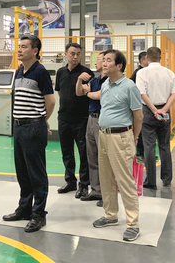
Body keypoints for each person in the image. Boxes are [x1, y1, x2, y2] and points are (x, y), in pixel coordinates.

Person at [2, 35, 56, 232]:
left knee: (36, 172)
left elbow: (51, 101)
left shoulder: (40, 72)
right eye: (19, 46)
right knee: (23, 171)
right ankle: (24, 208)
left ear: (35, 51)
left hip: (33, 127)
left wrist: (41, 119)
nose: (20, 49)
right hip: (19, 127)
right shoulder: (19, 71)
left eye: (24, 47)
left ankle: (38, 214)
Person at [92, 49, 143, 242]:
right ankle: (110, 214)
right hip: (103, 135)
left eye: (108, 60)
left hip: (120, 137)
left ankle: (133, 224)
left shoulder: (129, 87)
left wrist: (133, 137)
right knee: (106, 178)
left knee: (125, 180)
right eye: (103, 60)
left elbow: (138, 116)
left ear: (119, 65)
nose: (103, 63)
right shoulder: (106, 84)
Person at [136, 46, 175, 190]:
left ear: (146, 58)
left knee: (149, 146)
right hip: (165, 110)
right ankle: (167, 179)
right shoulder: (169, 73)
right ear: (161, 58)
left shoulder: (142, 73)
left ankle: (151, 181)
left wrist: (154, 110)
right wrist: (164, 109)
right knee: (165, 146)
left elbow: (142, 94)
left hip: (148, 111)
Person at [55, 43, 94, 198]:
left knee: (84, 153)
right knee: (66, 152)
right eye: (72, 54)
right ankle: (70, 181)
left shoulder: (86, 73)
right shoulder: (60, 72)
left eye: (78, 54)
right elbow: (60, 92)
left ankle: (84, 184)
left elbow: (87, 92)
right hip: (64, 118)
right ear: (65, 55)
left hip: (81, 119)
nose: (75, 57)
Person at [75, 52, 107, 204]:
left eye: (98, 59)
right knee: (92, 156)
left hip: (103, 119)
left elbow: (99, 95)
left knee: (103, 157)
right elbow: (79, 92)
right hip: (91, 118)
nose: (96, 62)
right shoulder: (95, 80)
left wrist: (88, 92)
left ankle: (107, 193)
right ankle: (96, 190)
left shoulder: (109, 81)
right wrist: (79, 80)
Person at [130, 51, 149, 161]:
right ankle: (139, 153)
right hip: (139, 104)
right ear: (142, 60)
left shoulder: (145, 72)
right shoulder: (138, 72)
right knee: (140, 130)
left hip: (143, 103)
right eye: (148, 59)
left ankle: (145, 153)